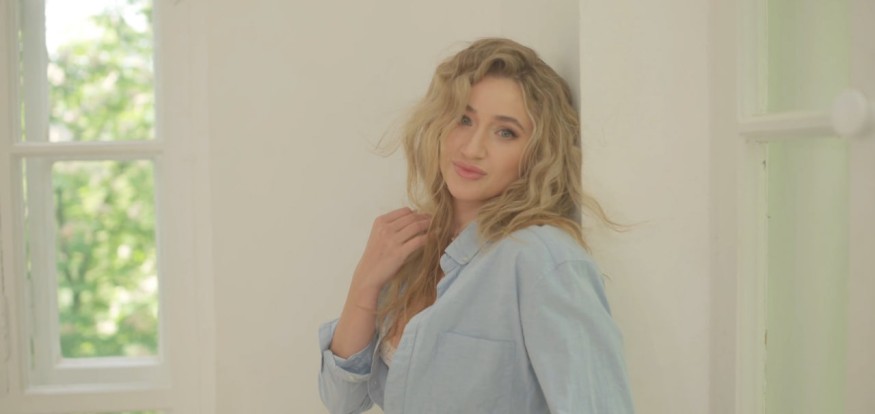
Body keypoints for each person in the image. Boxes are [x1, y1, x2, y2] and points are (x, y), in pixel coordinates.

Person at [318, 37, 635, 413]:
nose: (472, 148)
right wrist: (366, 281)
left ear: (537, 152)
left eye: (505, 132)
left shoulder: (542, 259)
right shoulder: (416, 248)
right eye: (463, 119)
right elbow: (343, 400)